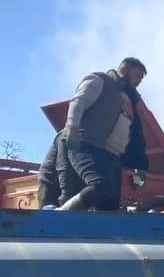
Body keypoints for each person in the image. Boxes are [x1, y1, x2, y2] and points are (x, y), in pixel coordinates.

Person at [56, 57, 150, 211]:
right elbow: (78, 102)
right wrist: (72, 128)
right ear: (124, 70)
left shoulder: (130, 99)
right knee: (101, 185)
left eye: (141, 78)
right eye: (137, 75)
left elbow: (136, 133)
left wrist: (139, 164)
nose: (139, 81)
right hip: (88, 144)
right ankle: (63, 213)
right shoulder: (100, 81)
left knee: (111, 203)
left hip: (112, 155)